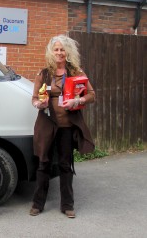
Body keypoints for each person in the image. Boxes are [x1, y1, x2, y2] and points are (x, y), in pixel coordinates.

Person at [29, 34, 96, 219]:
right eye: (56, 49)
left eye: (62, 49)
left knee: (66, 165)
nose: (59, 53)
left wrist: (78, 100)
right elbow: (34, 98)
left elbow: (91, 94)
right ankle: (37, 203)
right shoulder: (43, 74)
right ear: (51, 52)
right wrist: (39, 104)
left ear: (68, 52)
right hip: (46, 125)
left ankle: (67, 205)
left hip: (66, 127)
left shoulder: (76, 72)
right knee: (43, 164)